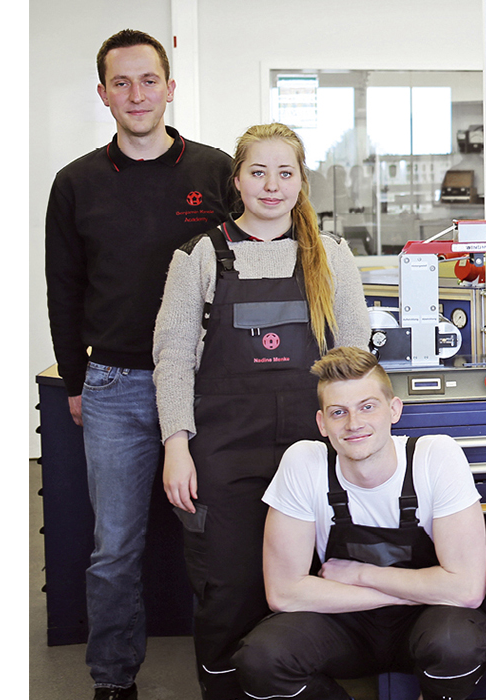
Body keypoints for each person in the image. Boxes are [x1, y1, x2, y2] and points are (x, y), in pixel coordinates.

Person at [44, 28, 235, 700]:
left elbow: (247, 266)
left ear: (170, 88)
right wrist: (75, 381)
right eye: (121, 83)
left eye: (148, 80)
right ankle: (112, 678)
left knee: (226, 536)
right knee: (115, 548)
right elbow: (63, 288)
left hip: (207, 383)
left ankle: (234, 668)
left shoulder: (215, 171)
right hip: (116, 386)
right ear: (103, 94)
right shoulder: (76, 183)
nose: (136, 94)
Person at [151, 122, 370, 700]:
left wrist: (362, 446)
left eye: (285, 172)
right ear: (237, 180)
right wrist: (176, 445)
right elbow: (173, 359)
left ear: (301, 181)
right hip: (224, 456)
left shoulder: (331, 255)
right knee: (228, 586)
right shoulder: (200, 256)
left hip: (314, 452)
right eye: (258, 171)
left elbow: (355, 360)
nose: (272, 186)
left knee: (315, 584)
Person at [231, 347, 486, 700]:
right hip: (345, 621)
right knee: (262, 658)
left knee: (456, 645)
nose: (353, 423)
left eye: (367, 407)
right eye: (339, 412)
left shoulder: (434, 457)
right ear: (322, 423)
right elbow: (283, 592)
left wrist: (360, 573)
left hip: (426, 620)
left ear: (394, 410)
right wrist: (404, 594)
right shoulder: (304, 463)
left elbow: (466, 589)